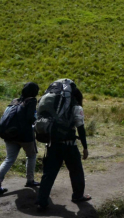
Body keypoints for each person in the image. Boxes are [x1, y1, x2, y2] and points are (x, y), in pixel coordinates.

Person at [36, 82, 91, 210]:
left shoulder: (55, 105)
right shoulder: (75, 106)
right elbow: (81, 129)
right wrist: (85, 147)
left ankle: (41, 201)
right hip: (69, 146)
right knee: (76, 171)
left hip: (52, 143)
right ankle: (78, 196)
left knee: (48, 174)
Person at [0, 82, 40, 195]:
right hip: (25, 136)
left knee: (9, 159)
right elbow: (30, 118)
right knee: (31, 155)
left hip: (10, 134)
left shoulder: (14, 100)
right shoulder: (32, 101)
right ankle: (30, 180)